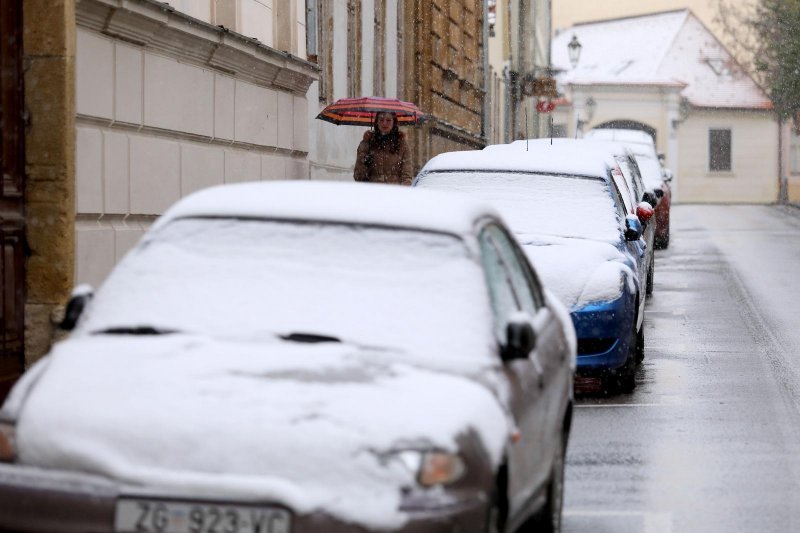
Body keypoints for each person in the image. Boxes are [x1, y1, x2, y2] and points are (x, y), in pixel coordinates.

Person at [353, 111, 413, 185]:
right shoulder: (367, 142)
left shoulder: (401, 144)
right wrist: (364, 162)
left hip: (394, 191)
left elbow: (406, 174)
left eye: (388, 120)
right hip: (372, 191)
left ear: (394, 122)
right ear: (377, 122)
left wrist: (403, 192)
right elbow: (358, 177)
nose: (384, 123)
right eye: (381, 120)